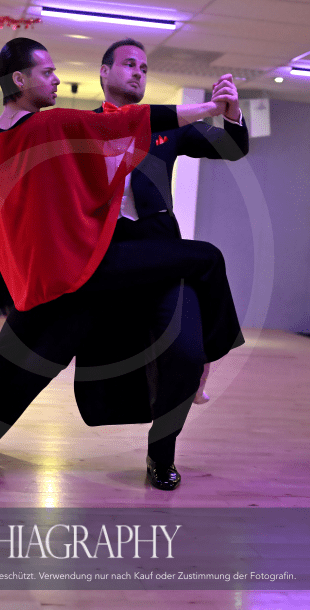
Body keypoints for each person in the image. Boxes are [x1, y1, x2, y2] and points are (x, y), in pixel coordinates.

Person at [0, 37, 241, 490]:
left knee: (13, 358)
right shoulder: (53, 126)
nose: (56, 79)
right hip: (84, 264)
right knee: (205, 257)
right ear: (20, 79)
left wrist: (21, 262)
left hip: (63, 269)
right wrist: (209, 107)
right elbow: (129, 124)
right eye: (47, 72)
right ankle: (211, 356)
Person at [75, 39, 249, 443]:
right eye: (129, 64)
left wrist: (232, 114)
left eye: (144, 68)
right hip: (106, 253)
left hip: (158, 249)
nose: (138, 72)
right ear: (104, 72)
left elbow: (232, 148)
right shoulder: (80, 128)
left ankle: (166, 445)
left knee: (185, 351)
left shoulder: (166, 124)